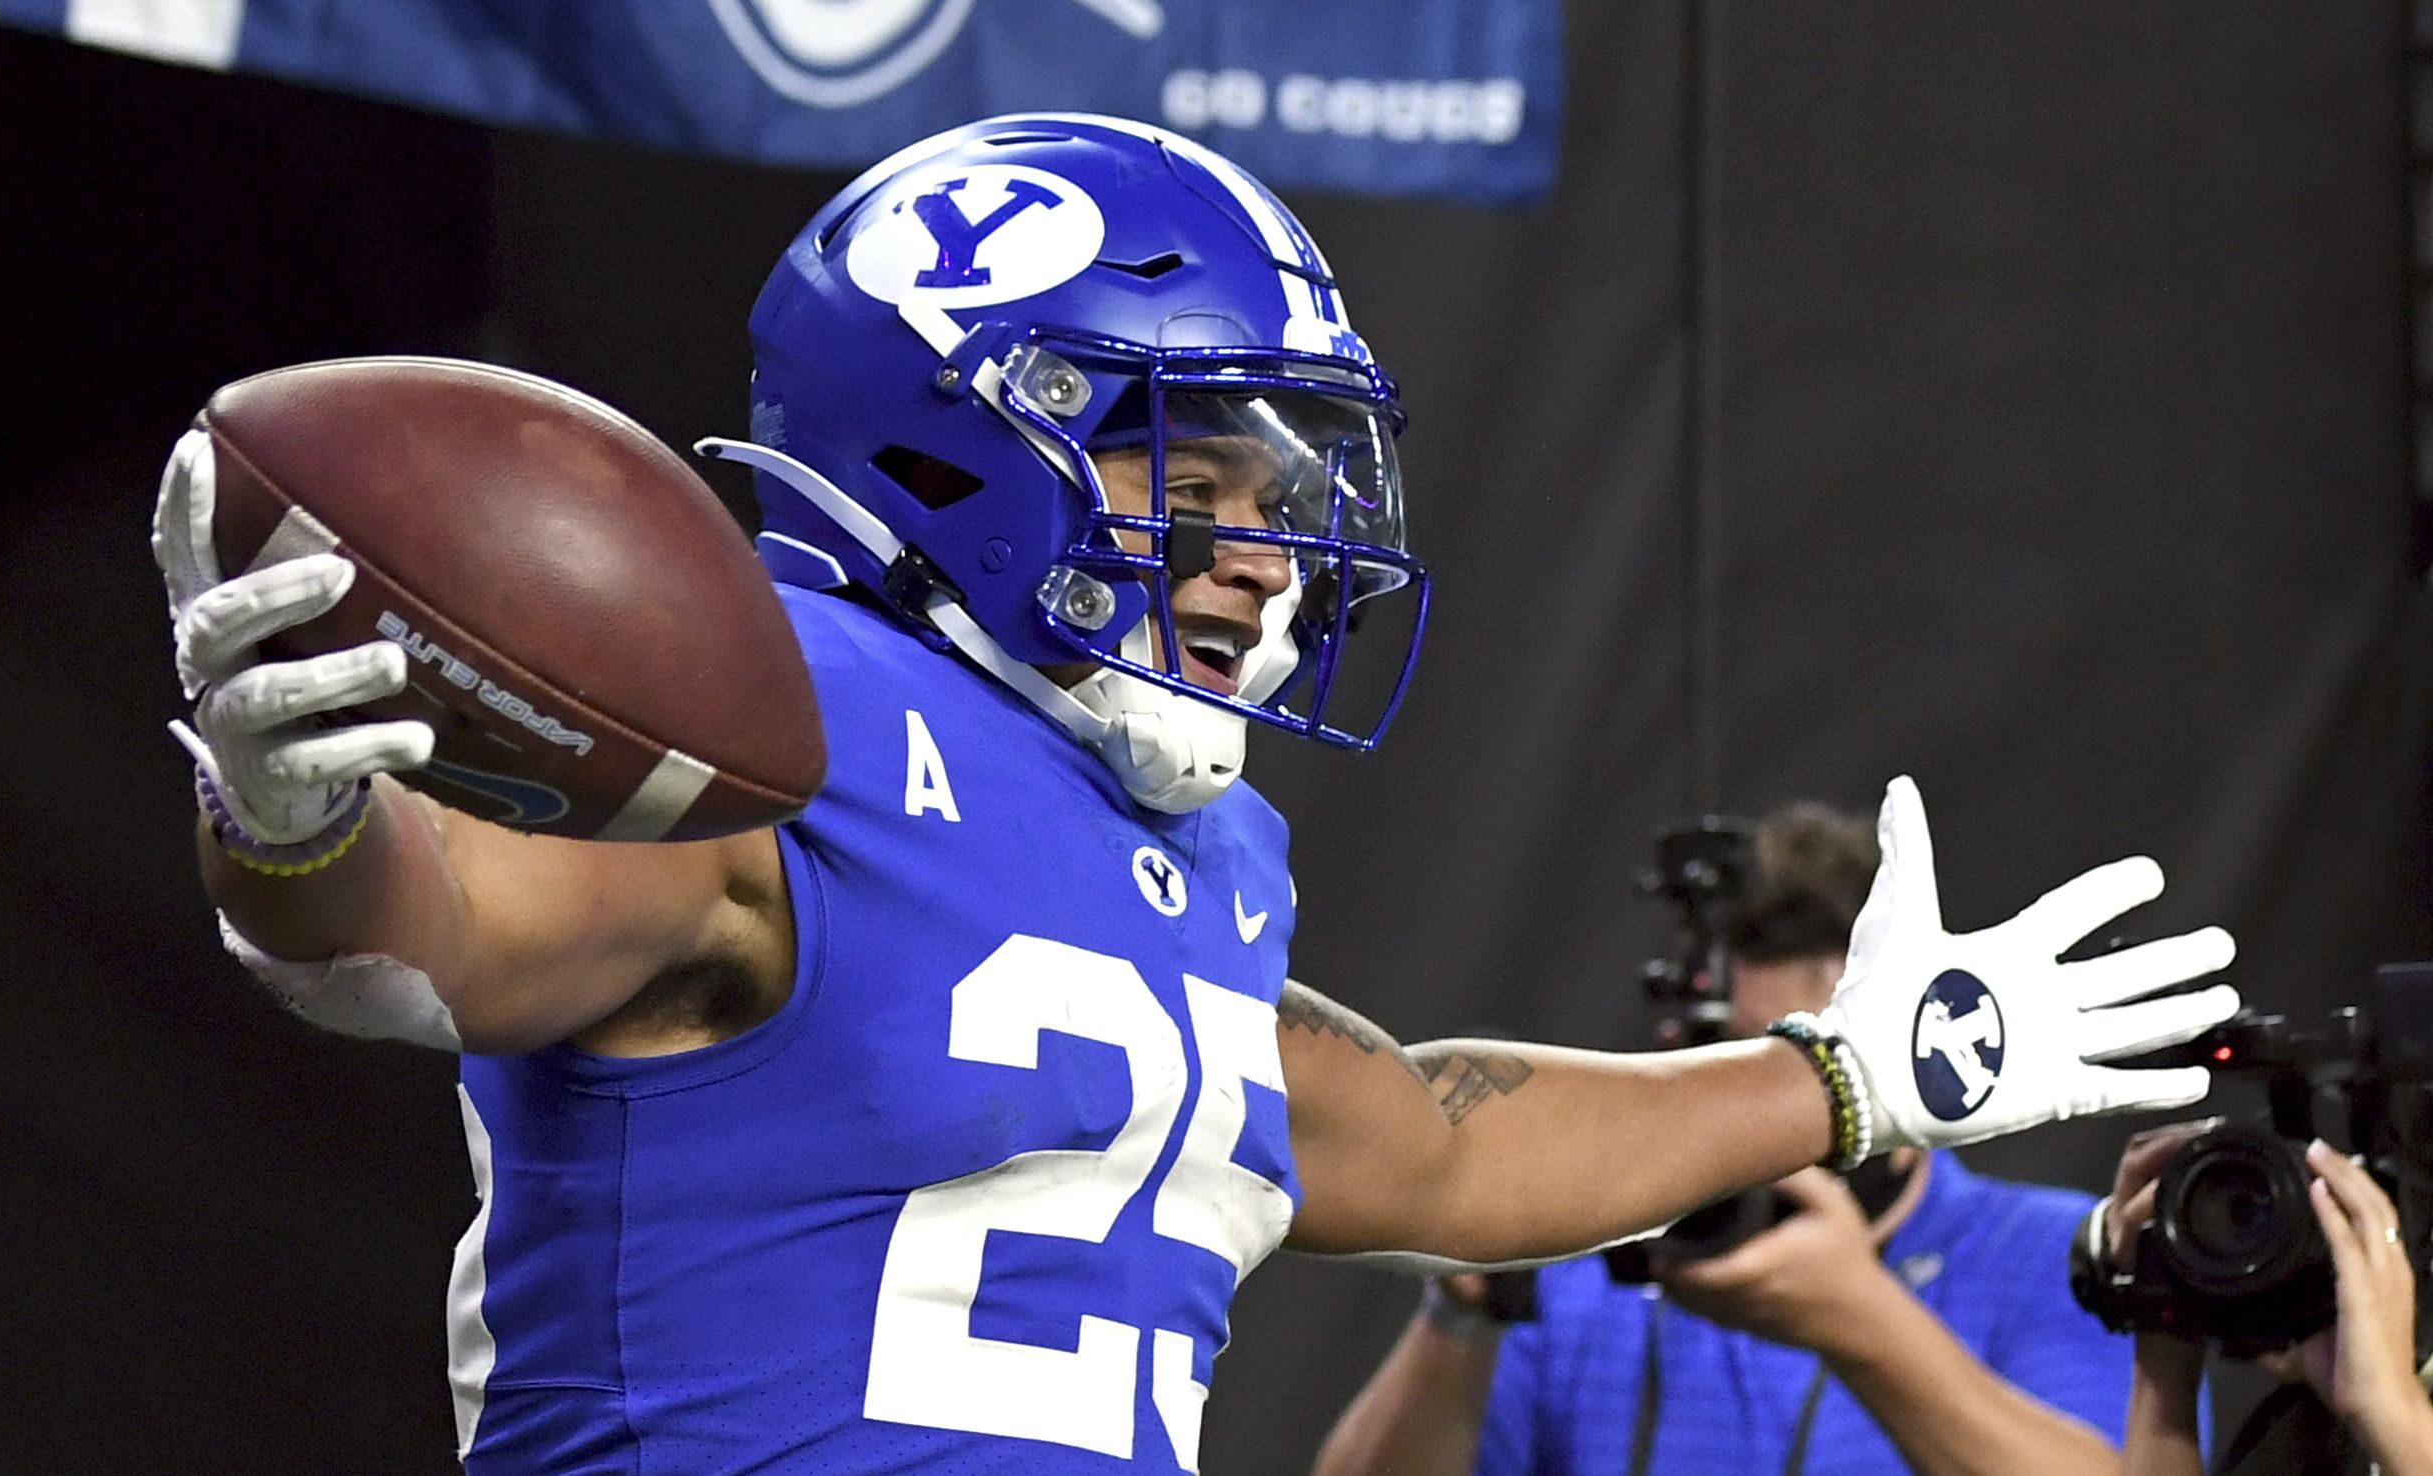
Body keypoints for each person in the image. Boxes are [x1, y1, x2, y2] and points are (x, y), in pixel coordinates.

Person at [152, 113, 2242, 1473]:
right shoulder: (784, 719)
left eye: (1283, 491)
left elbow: (1432, 1142)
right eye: (1199, 475)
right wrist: (302, 828)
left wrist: (1855, 1073)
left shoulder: (1192, 847)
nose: (1267, 558)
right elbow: (437, 947)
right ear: (961, 440)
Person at [1313, 804, 2158, 1476]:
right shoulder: (1585, 1253)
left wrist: (1864, 1326)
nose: (1788, 1106)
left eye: (1830, 1068)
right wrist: (1461, 1315)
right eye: (1738, 1066)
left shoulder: (2052, 1254)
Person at [2104, 1123, 2433, 1475]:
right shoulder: (2304, 1435)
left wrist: (2392, 1414)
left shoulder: (2386, 1408)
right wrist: (2165, 1336)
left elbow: (2385, 1407)